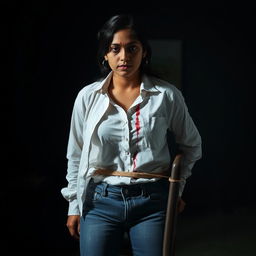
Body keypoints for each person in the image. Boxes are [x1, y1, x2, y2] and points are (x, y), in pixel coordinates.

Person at [61, 13, 202, 256]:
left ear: (144, 52)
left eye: (132, 48)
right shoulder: (88, 97)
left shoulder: (166, 96)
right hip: (99, 201)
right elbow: (76, 154)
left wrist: (176, 190)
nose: (124, 57)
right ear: (105, 54)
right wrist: (74, 205)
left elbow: (192, 146)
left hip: (153, 202)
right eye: (115, 49)